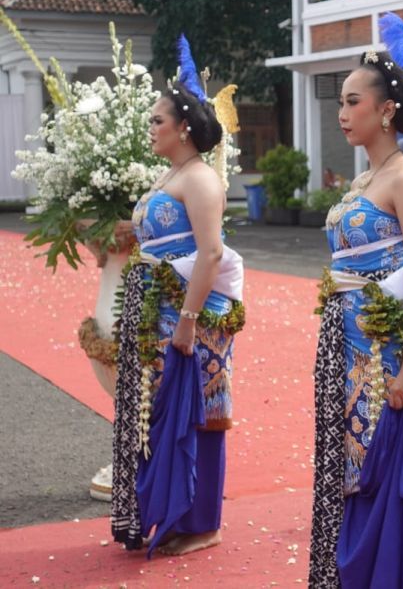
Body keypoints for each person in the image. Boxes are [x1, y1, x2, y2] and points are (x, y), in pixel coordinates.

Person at [309, 13, 403, 588]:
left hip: (384, 349)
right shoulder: (361, 182)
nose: (342, 113)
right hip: (344, 343)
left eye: (352, 101)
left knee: (380, 464)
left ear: (386, 109)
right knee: (348, 462)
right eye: (340, 102)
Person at [111, 38, 244, 557]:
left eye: (156, 121)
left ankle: (202, 521)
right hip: (155, 307)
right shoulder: (171, 176)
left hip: (193, 313)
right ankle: (164, 511)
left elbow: (210, 254)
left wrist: (188, 319)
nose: (150, 129)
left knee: (201, 409)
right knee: (157, 407)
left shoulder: (202, 180)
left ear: (183, 126)